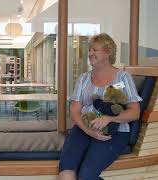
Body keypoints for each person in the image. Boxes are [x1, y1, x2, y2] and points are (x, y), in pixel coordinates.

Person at [58, 33, 142, 180]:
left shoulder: (123, 77)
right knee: (66, 172)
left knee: (86, 176)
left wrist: (108, 119)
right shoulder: (83, 78)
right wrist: (88, 130)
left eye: (95, 50)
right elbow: (74, 110)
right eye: (89, 50)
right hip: (84, 128)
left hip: (114, 132)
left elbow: (135, 112)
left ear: (108, 52)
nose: (90, 53)